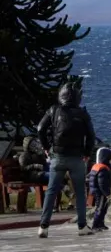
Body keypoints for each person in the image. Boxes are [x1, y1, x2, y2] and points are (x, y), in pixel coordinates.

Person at [36, 83, 96, 238]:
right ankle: (82, 226)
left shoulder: (54, 110)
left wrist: (46, 148)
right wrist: (87, 153)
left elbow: (40, 128)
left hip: (58, 156)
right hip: (77, 158)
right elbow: (91, 135)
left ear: (60, 96)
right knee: (80, 193)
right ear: (76, 97)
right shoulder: (82, 113)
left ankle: (44, 226)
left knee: (51, 190)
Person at [89, 147, 111, 231]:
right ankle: (95, 225)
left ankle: (101, 223)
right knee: (100, 208)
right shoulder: (103, 169)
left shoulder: (97, 166)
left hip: (97, 191)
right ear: (106, 158)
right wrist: (107, 194)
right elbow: (102, 184)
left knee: (104, 208)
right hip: (100, 192)